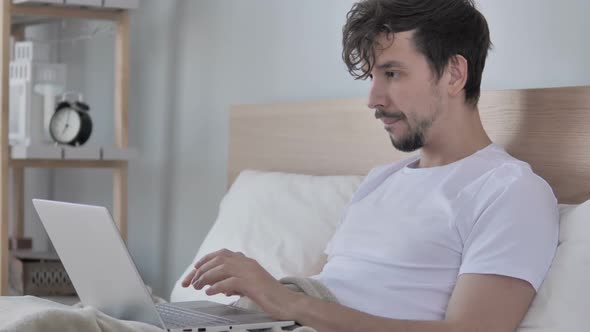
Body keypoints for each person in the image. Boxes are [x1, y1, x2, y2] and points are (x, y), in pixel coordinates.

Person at [182, 1, 559, 331]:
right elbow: (331, 287)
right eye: (373, 76)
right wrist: (269, 297)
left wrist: (285, 302)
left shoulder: (508, 190)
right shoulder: (381, 180)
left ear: (454, 74)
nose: (373, 99)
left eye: (392, 74)